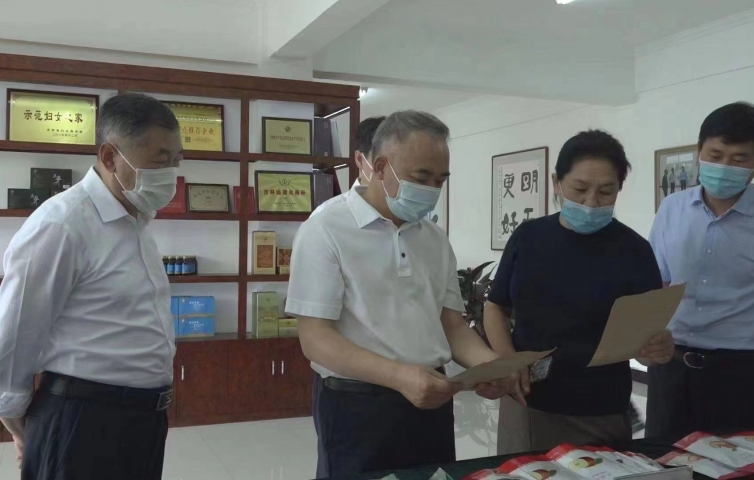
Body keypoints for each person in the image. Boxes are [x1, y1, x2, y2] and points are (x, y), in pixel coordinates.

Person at [286, 110, 510, 478]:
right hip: (356, 404)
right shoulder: (325, 228)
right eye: (421, 178)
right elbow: (316, 339)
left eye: (440, 180)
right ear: (379, 167)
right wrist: (400, 377)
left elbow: (451, 325)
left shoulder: (434, 239)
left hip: (432, 398)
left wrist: (490, 365)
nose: (432, 190)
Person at [0, 93, 181, 480]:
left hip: (142, 419)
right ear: (110, 156)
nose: (171, 173)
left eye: (176, 161)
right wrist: (22, 427)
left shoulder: (137, 219)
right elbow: (15, 334)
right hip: (81, 419)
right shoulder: (62, 224)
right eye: (160, 160)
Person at [483, 130, 675, 455]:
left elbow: (644, 341)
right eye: (580, 189)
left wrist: (656, 349)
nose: (591, 202)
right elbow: (496, 307)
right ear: (556, 182)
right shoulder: (528, 238)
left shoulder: (635, 251)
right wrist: (506, 360)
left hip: (598, 409)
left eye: (605, 191)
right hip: (525, 401)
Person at [647, 102, 754, 437]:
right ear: (699, 153)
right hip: (671, 366)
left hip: (740, 372)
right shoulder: (672, 208)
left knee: (733, 461)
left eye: (739, 159)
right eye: (716, 155)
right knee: (662, 459)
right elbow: (656, 284)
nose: (724, 167)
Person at [311, 116, 385, 216]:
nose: (391, 169)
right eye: (381, 163)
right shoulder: (327, 214)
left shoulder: (405, 211)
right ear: (359, 159)